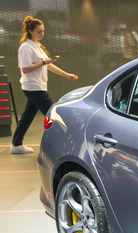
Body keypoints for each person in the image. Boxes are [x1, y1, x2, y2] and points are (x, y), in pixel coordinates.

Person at [11, 16, 78, 154]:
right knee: (52, 115)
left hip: (38, 86)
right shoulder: (26, 47)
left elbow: (49, 65)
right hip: (33, 87)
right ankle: (66, 144)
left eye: (43, 31)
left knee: (27, 116)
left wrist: (67, 75)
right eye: (39, 31)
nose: (42, 34)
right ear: (30, 31)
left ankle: (16, 144)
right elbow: (25, 69)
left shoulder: (37, 46)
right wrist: (43, 63)